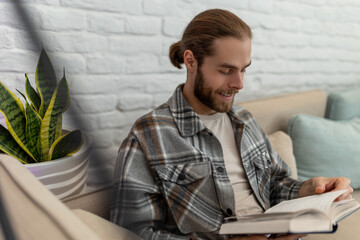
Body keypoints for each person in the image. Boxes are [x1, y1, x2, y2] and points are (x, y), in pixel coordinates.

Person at [110, 9, 353, 240]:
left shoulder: (244, 120)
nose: (239, 84)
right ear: (191, 61)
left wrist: (311, 189)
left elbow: (274, 184)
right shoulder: (148, 137)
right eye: (226, 70)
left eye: (244, 70)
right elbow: (132, 233)